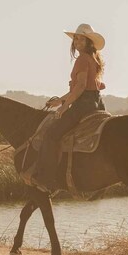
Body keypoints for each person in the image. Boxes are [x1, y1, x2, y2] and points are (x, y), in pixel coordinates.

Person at [35, 24, 107, 192]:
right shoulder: (92, 58)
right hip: (96, 102)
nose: (77, 41)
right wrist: (59, 101)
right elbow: (81, 88)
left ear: (88, 42)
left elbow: (80, 87)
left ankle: (47, 179)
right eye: (75, 38)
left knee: (51, 135)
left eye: (81, 38)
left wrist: (64, 108)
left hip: (84, 104)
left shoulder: (82, 59)